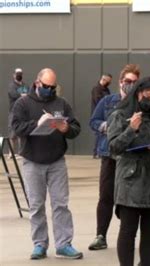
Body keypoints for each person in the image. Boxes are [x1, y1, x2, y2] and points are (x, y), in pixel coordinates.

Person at [11, 68, 83, 260]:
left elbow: (76, 128)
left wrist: (66, 127)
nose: (49, 90)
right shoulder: (23, 103)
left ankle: (63, 244)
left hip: (56, 160)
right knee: (36, 205)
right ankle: (39, 244)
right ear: (37, 83)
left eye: (53, 87)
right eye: (46, 86)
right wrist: (37, 123)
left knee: (61, 204)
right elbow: (16, 127)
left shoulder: (62, 103)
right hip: (32, 161)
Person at [107, 77, 150, 266]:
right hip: (130, 180)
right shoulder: (120, 115)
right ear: (138, 93)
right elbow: (113, 147)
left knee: (149, 232)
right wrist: (131, 130)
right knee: (128, 230)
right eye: (147, 96)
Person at [88, 64, 140, 251]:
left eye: (134, 82)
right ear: (120, 82)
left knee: (129, 198)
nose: (130, 85)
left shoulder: (141, 102)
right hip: (109, 155)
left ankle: (126, 237)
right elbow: (93, 121)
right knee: (106, 196)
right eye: (127, 81)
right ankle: (100, 235)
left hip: (132, 156)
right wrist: (107, 127)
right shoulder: (108, 101)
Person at [7, 68, 28, 157]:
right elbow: (13, 94)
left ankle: (21, 153)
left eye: (20, 74)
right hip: (13, 111)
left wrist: (23, 95)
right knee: (12, 133)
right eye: (17, 74)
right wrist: (21, 95)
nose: (19, 75)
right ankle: (11, 153)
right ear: (14, 75)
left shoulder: (24, 85)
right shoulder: (12, 85)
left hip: (22, 112)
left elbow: (28, 94)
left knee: (21, 133)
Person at [91, 73, 113, 159]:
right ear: (103, 79)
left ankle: (101, 151)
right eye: (108, 81)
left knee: (103, 134)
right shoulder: (96, 89)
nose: (109, 83)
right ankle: (96, 152)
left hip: (106, 115)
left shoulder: (106, 90)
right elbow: (98, 101)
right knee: (98, 134)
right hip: (98, 114)